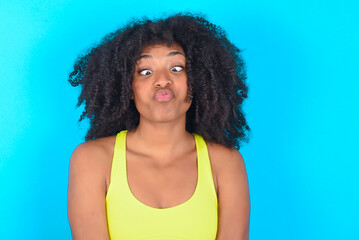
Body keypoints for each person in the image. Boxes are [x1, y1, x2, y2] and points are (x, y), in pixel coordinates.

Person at [67, 13, 250, 240]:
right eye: (145, 71)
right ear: (127, 88)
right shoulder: (92, 160)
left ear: (198, 81)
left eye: (177, 68)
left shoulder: (225, 162)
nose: (162, 80)